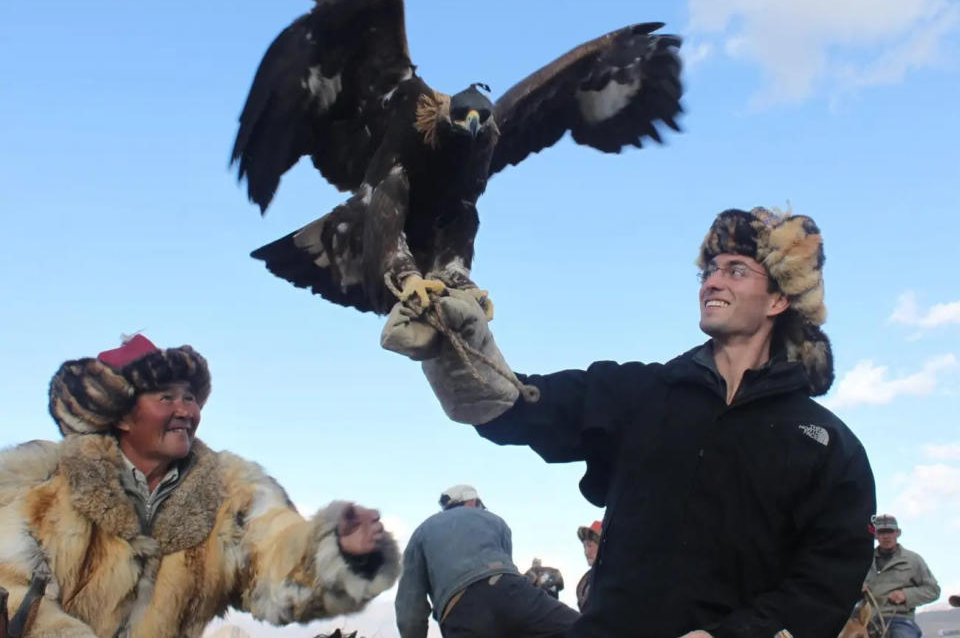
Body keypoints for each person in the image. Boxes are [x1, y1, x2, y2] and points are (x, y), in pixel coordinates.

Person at [383, 206, 877, 638]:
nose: (712, 280)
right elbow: (515, 407)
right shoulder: (642, 394)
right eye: (708, 270)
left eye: (736, 269)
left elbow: (828, 577)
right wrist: (453, 346)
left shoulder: (825, 443)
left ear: (777, 300)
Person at [0, 335, 399, 638]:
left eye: (190, 397)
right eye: (166, 397)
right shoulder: (46, 488)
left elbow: (275, 561)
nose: (185, 411)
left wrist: (336, 549)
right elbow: (12, 591)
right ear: (122, 416)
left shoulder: (230, 491)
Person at [395, 484, 578, 638]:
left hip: (460, 613)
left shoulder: (421, 532)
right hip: (509, 590)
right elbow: (507, 572)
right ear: (473, 502)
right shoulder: (494, 520)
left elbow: (409, 607)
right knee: (584, 629)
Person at [863, 514, 940, 638]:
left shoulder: (913, 560)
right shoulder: (863, 560)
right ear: (875, 535)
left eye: (890, 531)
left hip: (899, 619)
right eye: (881, 532)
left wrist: (906, 595)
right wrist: (856, 588)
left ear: (898, 533)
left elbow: (933, 590)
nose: (886, 536)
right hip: (865, 620)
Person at [575, 520, 602, 611]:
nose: (586, 552)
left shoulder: (617, 575)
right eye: (584, 547)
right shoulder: (585, 581)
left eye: (590, 546)